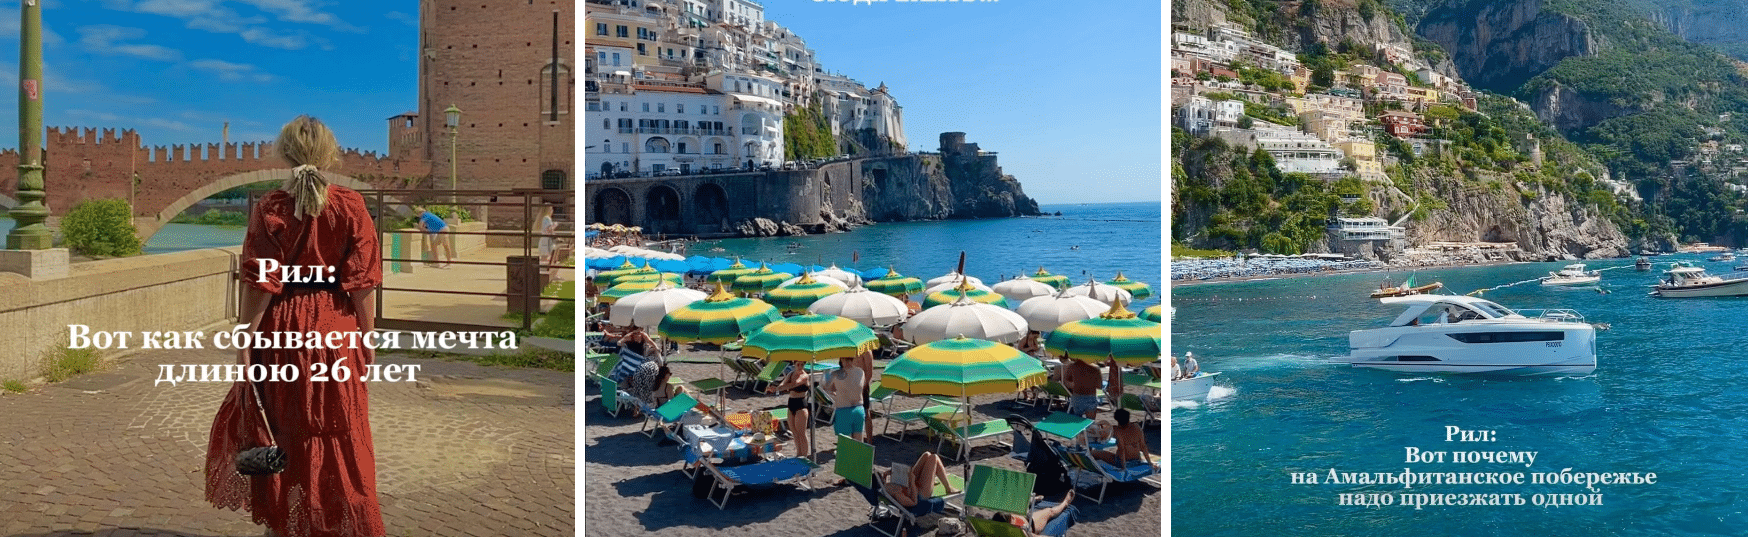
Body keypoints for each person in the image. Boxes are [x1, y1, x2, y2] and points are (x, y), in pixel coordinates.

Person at [205, 115, 385, 537]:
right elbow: (362, 282)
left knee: (283, 428)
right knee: (342, 428)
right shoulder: (352, 204)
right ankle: (338, 522)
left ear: (283, 154)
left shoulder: (270, 207)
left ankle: (287, 524)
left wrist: (244, 339)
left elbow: (261, 282)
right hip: (337, 328)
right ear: (330, 154)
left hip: (283, 330)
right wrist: (368, 335)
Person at [880, 451, 959, 507]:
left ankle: (930, 478)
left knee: (927, 454)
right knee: (934, 458)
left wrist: (887, 475)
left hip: (910, 484)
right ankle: (949, 489)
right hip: (920, 494)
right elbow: (914, 502)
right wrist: (912, 482)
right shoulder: (897, 494)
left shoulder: (885, 487)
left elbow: (897, 485)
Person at [766, 364, 812, 458]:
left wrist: (779, 388)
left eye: (802, 364)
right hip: (791, 403)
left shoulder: (805, 376)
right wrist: (775, 388)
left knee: (801, 433)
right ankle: (799, 454)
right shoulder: (790, 374)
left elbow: (794, 384)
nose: (800, 366)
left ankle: (804, 456)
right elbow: (783, 384)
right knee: (794, 432)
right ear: (794, 364)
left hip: (801, 405)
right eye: (798, 364)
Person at [992, 490, 1079, 537]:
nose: (1013, 517)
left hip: (1025, 518)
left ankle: (1033, 499)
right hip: (1032, 523)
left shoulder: (994, 525)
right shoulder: (1019, 532)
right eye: (1011, 518)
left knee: (1019, 506)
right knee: (1049, 511)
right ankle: (1065, 503)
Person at [1092, 409, 1157, 471]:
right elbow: (1143, 446)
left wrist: (1123, 467)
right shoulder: (1136, 426)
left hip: (1124, 462)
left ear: (1116, 419)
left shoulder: (1117, 430)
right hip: (1137, 459)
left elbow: (1122, 450)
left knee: (1095, 453)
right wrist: (1149, 462)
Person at [825, 355, 867, 442]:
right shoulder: (860, 372)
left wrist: (836, 391)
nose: (847, 362)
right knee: (859, 442)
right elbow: (861, 386)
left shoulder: (836, 374)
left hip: (844, 409)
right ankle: (858, 456)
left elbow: (826, 388)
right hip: (858, 409)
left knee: (845, 443)